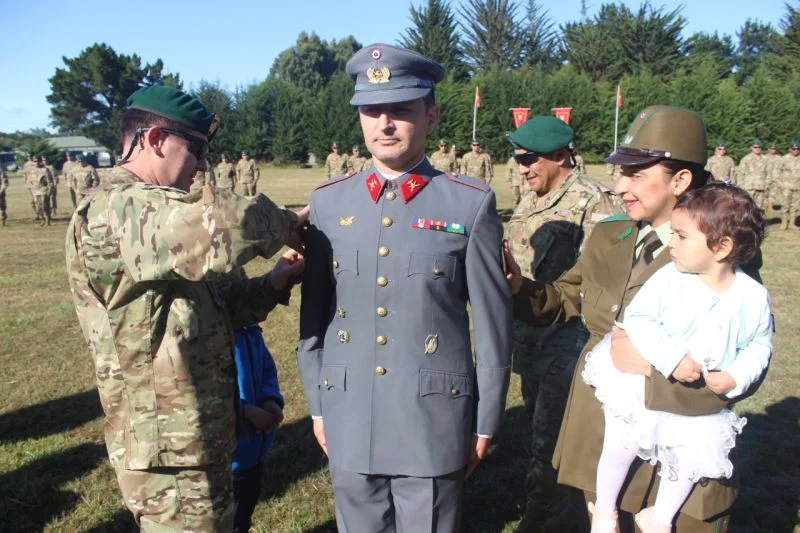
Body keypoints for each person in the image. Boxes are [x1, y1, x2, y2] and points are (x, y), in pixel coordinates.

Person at [504, 105, 766, 533]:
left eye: (636, 174)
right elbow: (565, 296)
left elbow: (747, 357)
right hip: (601, 438)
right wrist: (517, 287)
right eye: (620, 172)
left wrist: (653, 366)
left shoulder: (721, 251)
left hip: (676, 450)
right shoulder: (611, 233)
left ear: (680, 180)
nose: (619, 185)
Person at [66, 85, 306, 531]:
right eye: (195, 149)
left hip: (197, 436)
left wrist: (275, 282)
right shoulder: (115, 209)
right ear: (155, 140)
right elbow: (227, 224)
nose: (202, 165)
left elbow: (221, 307)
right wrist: (290, 223)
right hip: (166, 455)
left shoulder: (158, 217)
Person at [298, 43, 512, 533]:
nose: (385, 123)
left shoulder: (469, 205)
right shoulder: (329, 204)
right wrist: (318, 403)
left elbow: (495, 327)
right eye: (372, 111)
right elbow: (314, 317)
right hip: (349, 410)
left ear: (431, 117)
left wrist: (485, 420)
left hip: (432, 419)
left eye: (401, 110)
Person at [582, 184, 771, 533]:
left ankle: (659, 518)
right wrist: (672, 358)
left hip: (699, 401)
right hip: (642, 386)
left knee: (693, 458)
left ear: (722, 247)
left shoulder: (753, 296)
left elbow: (759, 345)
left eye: (682, 236)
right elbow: (638, 319)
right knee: (621, 442)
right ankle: (605, 510)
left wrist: (736, 376)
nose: (672, 243)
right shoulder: (669, 279)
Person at [505, 116, 621, 533]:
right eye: (518, 158)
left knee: (556, 442)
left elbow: (602, 280)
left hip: (570, 343)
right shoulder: (531, 199)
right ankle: (549, 509)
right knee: (539, 432)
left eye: (528, 158)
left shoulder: (595, 200)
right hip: (533, 341)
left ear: (558, 155)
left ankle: (551, 518)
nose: (521, 167)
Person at [222, 267, 294, 533]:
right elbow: (204, 392)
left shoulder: (251, 330)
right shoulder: (212, 340)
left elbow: (266, 369)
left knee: (243, 515)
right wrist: (245, 412)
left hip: (253, 452)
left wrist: (269, 400)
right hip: (227, 458)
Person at [736, 140, 768, 210]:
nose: (757, 149)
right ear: (751, 148)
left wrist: (767, 184)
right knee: (747, 207)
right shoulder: (746, 159)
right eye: (755, 147)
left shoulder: (765, 159)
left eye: (759, 147)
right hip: (749, 188)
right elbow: (740, 174)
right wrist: (740, 187)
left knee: (760, 209)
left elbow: (769, 173)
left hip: (761, 188)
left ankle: (758, 221)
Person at [779, 140, 800, 229]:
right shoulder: (783, 159)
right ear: (790, 149)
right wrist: (780, 183)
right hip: (786, 186)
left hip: (798, 186)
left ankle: (792, 223)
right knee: (785, 205)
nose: (795, 150)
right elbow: (777, 171)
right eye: (793, 148)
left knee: (795, 206)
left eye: (797, 149)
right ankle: (784, 223)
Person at [32, 156, 54, 226]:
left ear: (41, 161)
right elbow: (31, 180)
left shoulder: (45, 170)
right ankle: (42, 220)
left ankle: (48, 220)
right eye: (35, 161)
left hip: (44, 190)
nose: (36, 163)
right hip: (36, 191)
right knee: (39, 207)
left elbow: (50, 181)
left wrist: (49, 191)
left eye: (38, 161)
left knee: (45, 206)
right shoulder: (32, 170)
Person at [22, 154, 39, 220]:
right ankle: (36, 214)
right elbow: (25, 174)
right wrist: (25, 183)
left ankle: (41, 214)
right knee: (32, 201)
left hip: (36, 184)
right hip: (29, 184)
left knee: (37, 200)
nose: (29, 158)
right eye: (28, 157)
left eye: (30, 156)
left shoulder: (36, 164)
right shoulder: (26, 165)